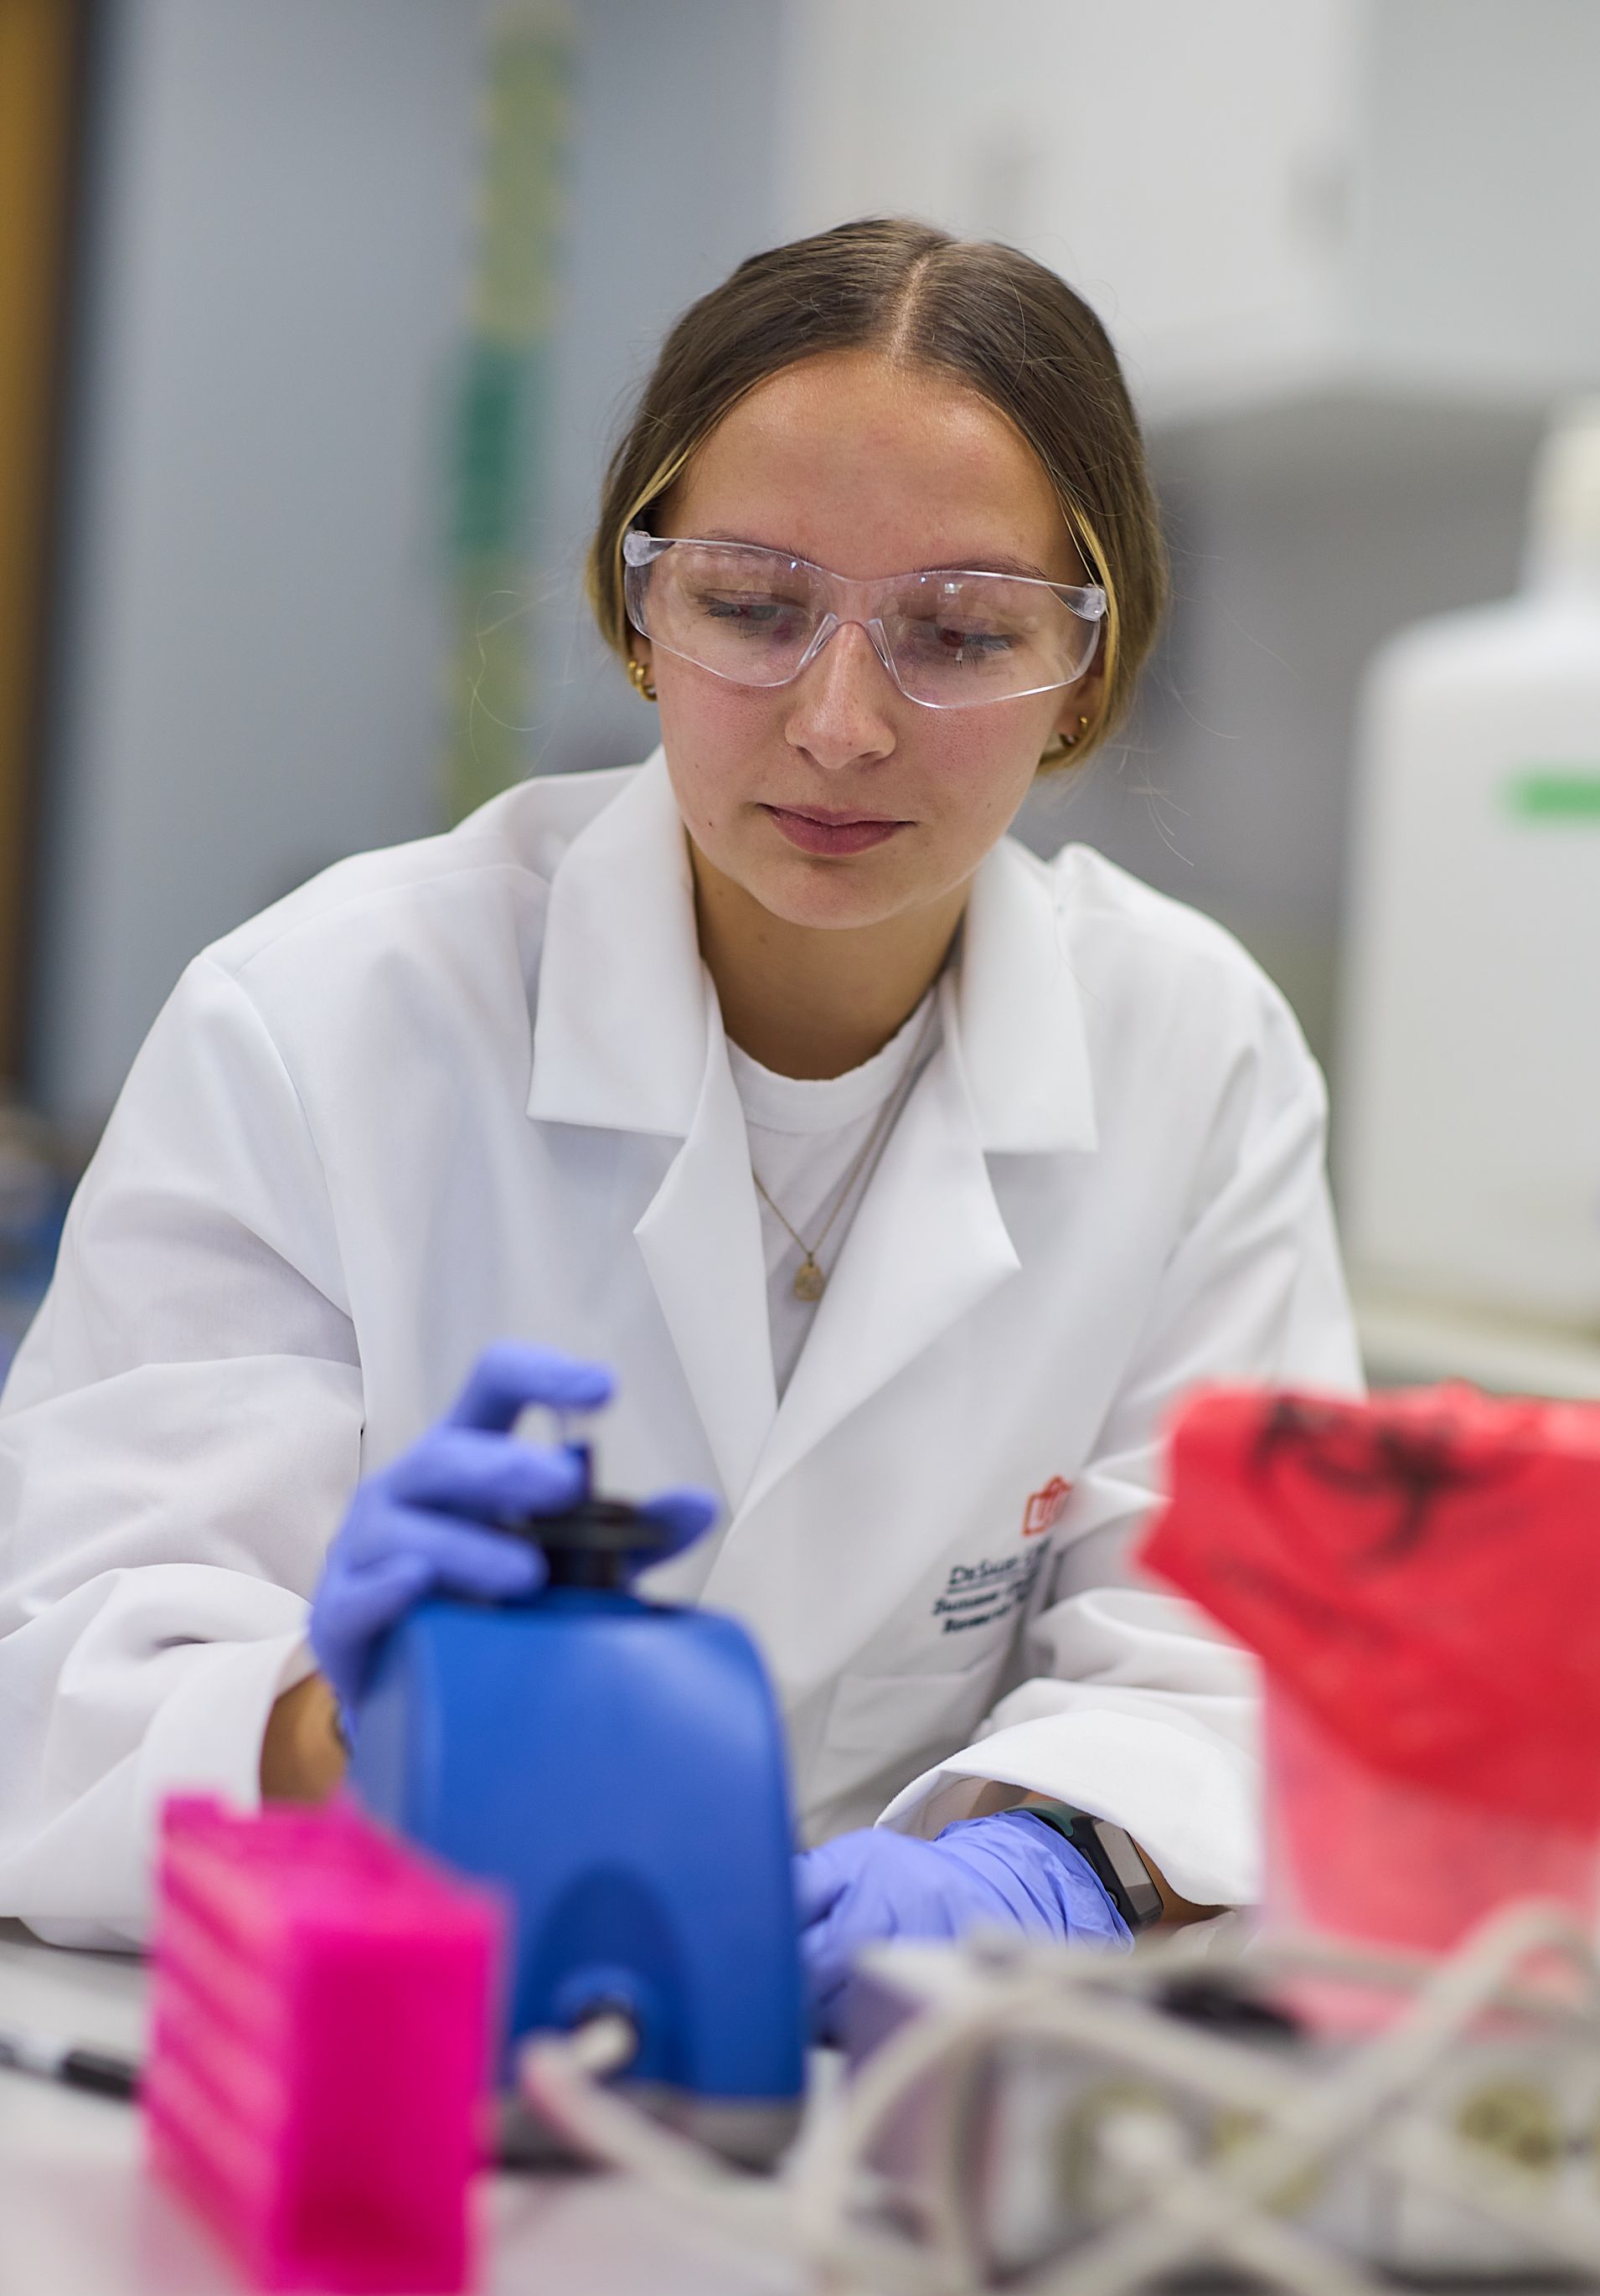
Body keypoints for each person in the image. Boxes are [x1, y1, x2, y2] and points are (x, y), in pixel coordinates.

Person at [0, 219, 1360, 2024]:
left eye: (961, 632)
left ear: (1084, 678)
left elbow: (1238, 1668)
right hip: (402, 2047)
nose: (842, 724)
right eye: (752, 607)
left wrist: (1043, 1868)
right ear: (636, 610)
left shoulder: (1196, 1056)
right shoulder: (320, 1020)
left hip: (899, 2097)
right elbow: (57, 1691)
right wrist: (347, 1731)